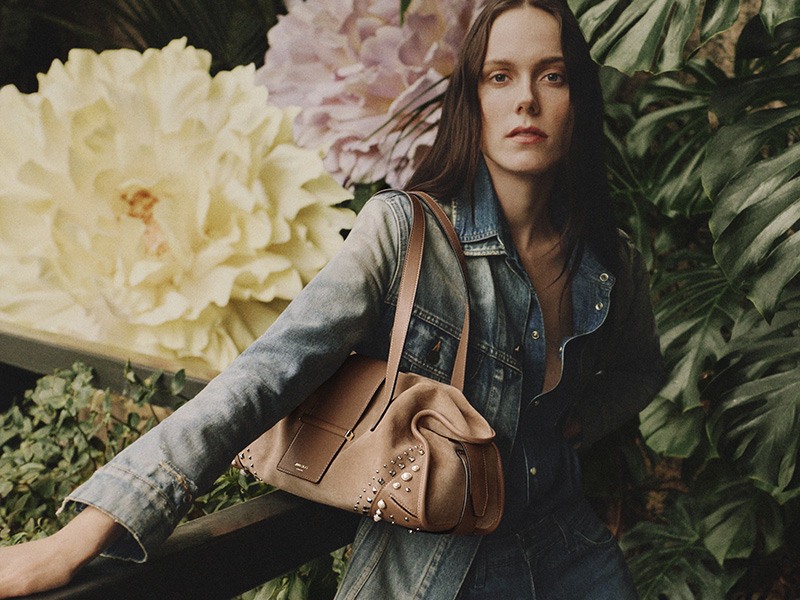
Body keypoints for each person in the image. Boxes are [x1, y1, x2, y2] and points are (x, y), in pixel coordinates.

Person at [0, 0, 664, 598]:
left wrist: (576, 423)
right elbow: (264, 377)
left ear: (578, 100)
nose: (526, 100)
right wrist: (82, 537)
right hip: (442, 573)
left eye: (552, 76)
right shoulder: (405, 232)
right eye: (500, 76)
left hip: (576, 557)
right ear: (472, 100)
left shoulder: (609, 262)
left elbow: (641, 370)